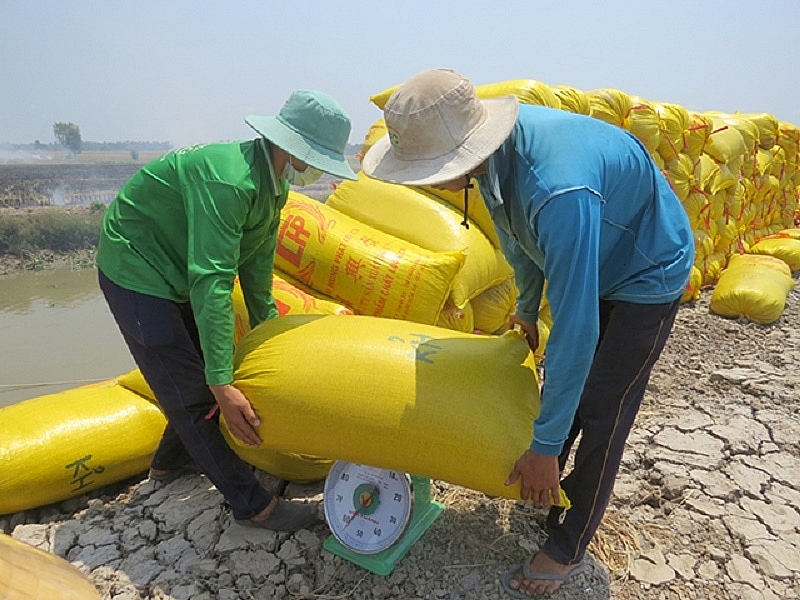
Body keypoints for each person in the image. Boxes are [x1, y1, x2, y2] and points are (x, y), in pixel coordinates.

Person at [362, 69, 694, 596]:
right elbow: (518, 238)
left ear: (464, 152)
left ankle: (567, 545)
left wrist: (542, 445)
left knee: (604, 405)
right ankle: (550, 479)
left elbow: (575, 331)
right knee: (572, 394)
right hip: (593, 244)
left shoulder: (558, 191)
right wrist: (525, 306)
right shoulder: (493, 159)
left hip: (645, 265)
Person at [97, 90, 357, 532]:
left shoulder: (273, 185)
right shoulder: (231, 182)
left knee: (194, 371)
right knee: (196, 389)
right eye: (316, 158)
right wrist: (222, 384)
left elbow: (256, 266)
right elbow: (212, 281)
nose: (316, 168)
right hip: (136, 267)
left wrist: (272, 341)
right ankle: (253, 505)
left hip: (176, 265)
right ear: (293, 147)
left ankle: (168, 465)